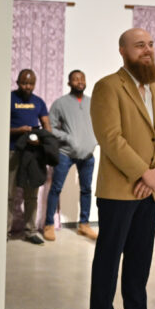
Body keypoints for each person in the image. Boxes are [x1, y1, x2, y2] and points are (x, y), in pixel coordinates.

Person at [88, 28, 155, 309]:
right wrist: (145, 172)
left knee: (141, 257)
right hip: (118, 190)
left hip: (150, 191)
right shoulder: (107, 87)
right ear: (123, 51)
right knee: (109, 257)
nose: (148, 50)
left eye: (151, 45)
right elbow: (110, 138)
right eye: (140, 45)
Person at [43, 69, 98, 241]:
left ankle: (84, 225)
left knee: (87, 190)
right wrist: (68, 138)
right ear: (69, 83)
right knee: (56, 188)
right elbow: (50, 127)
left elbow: (101, 123)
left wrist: (94, 139)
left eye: (82, 79)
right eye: (75, 79)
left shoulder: (93, 102)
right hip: (65, 154)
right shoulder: (60, 103)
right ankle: (49, 224)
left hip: (88, 155)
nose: (79, 82)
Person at [8, 69, 51, 245]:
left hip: (33, 154)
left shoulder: (39, 102)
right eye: (24, 83)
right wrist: (18, 131)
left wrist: (41, 138)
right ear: (17, 82)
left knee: (31, 194)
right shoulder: (9, 99)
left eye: (31, 83)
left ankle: (30, 231)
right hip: (12, 151)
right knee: (8, 194)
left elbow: (47, 126)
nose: (28, 86)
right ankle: (4, 231)